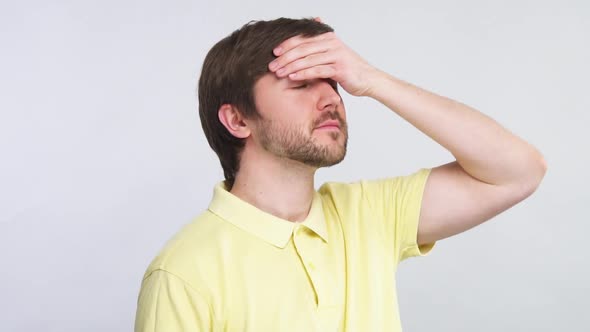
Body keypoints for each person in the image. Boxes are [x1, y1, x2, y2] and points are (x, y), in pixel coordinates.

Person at [134, 17, 547, 331]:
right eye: (301, 85)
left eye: (333, 83)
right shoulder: (182, 272)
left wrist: (371, 80)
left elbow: (519, 171)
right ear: (238, 120)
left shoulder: (369, 214)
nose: (332, 98)